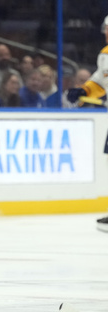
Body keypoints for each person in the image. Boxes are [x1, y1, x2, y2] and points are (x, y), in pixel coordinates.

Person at [67, 14, 108, 232]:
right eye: (105, 29)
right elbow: (101, 81)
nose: (106, 33)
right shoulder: (105, 54)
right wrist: (84, 90)